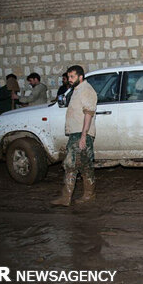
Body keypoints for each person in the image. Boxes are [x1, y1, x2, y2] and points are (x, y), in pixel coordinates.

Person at [51, 65, 98, 207]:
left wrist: (84, 136)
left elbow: (88, 114)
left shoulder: (86, 90)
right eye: (69, 77)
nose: (69, 80)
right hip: (75, 134)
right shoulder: (76, 90)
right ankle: (67, 197)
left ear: (80, 77)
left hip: (81, 134)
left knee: (82, 166)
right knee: (73, 165)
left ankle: (87, 195)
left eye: (72, 77)